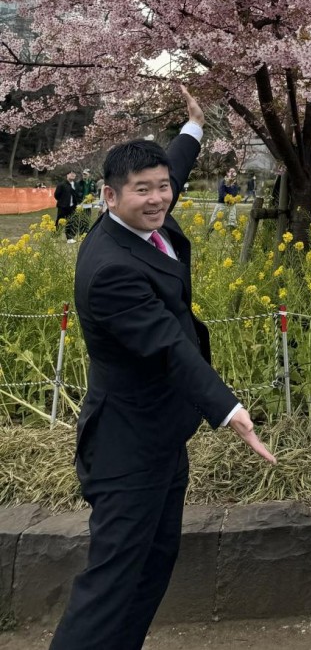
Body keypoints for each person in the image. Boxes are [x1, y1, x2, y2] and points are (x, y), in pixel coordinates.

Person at [49, 87, 276, 650]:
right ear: (107, 196)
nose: (158, 198)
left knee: (153, 564)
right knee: (112, 583)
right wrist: (229, 410)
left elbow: (170, 166)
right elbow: (171, 346)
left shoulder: (148, 210)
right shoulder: (111, 269)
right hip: (126, 445)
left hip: (160, 431)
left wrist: (193, 127)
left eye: (163, 188)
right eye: (142, 191)